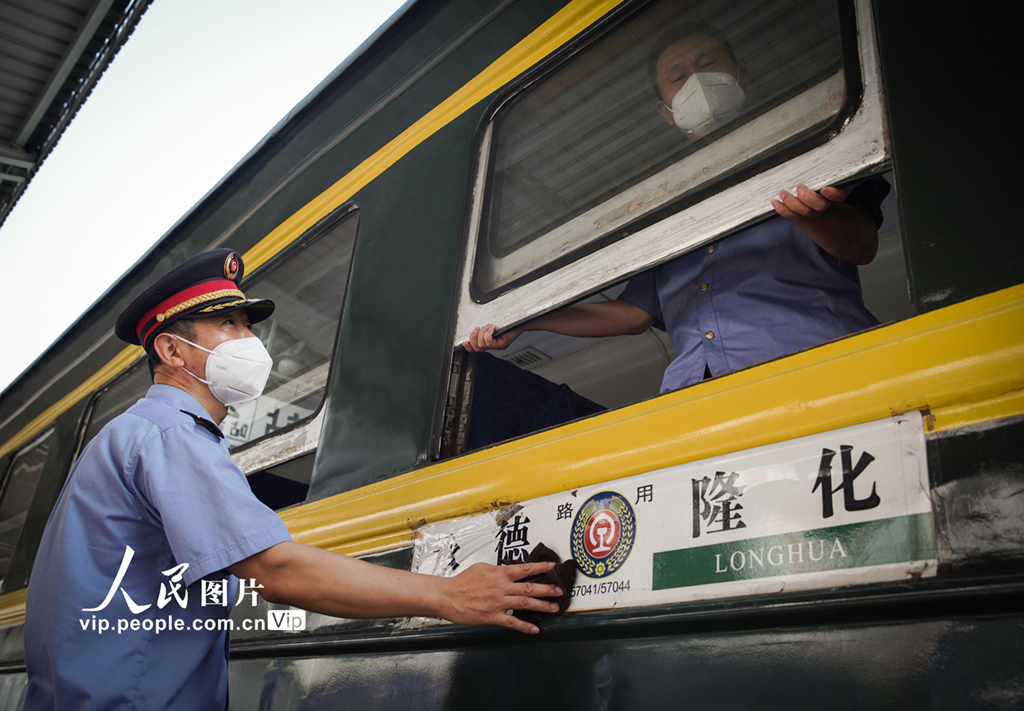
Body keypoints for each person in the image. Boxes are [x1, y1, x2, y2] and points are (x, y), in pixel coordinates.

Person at [23, 249, 562, 710]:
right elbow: (272, 569)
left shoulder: (131, 435)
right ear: (171, 350)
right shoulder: (169, 434)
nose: (248, 339)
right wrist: (448, 594)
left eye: (247, 325)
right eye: (228, 325)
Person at [465, 23, 889, 392]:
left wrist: (815, 214)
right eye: (678, 76)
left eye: (707, 63)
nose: (696, 80)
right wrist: (527, 321)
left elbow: (862, 246)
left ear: (741, 75)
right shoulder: (660, 199)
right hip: (691, 394)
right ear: (665, 112)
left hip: (822, 361)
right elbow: (633, 314)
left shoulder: (813, 142)